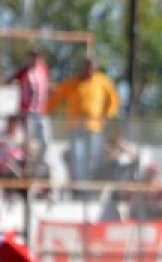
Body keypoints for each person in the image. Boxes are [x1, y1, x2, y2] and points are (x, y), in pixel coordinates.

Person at [47, 58, 120, 186]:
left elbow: (114, 99)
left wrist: (106, 115)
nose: (89, 70)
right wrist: (45, 111)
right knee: (77, 155)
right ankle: (78, 185)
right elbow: (57, 97)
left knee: (92, 156)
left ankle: (89, 184)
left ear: (96, 68)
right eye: (87, 67)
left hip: (94, 126)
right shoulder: (73, 82)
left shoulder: (102, 81)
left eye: (92, 67)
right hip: (75, 125)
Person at [4, 50, 49, 168]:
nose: (34, 59)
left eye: (36, 57)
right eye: (32, 57)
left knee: (44, 141)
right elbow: (9, 80)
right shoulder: (23, 71)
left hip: (40, 111)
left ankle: (39, 164)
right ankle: (27, 167)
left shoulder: (43, 69)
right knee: (28, 141)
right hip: (27, 112)